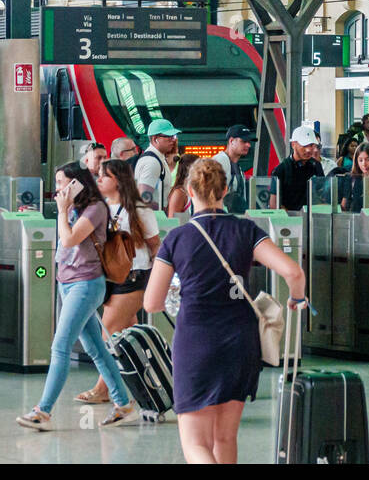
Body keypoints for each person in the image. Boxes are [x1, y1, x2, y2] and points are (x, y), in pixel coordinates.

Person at [143, 158, 305, 463]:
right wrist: (297, 299)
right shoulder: (246, 230)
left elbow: (151, 303)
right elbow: (294, 273)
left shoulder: (177, 238)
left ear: (189, 191)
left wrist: (180, 291)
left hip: (196, 342)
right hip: (241, 343)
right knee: (225, 438)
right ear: (225, 190)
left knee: (195, 443)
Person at [17, 163, 136, 430]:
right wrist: (65, 209)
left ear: (76, 184)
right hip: (68, 284)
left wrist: (62, 210)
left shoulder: (95, 209)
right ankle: (123, 405)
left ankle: (42, 411)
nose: (58, 188)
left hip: (86, 285)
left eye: (61, 182)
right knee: (96, 348)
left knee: (60, 346)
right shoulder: (74, 208)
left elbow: (70, 239)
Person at [77, 159, 161, 405]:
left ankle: (103, 388)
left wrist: (157, 280)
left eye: (105, 176)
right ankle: (146, 384)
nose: (99, 179)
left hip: (134, 276)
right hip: (110, 278)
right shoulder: (100, 207)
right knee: (127, 335)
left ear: (119, 181)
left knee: (109, 334)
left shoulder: (138, 208)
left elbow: (155, 245)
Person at [269, 126, 327, 211]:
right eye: (304, 145)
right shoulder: (281, 170)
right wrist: (292, 219)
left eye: (311, 145)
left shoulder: (316, 165)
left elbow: (322, 194)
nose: (308, 150)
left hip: (312, 217)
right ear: (293, 145)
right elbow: (274, 204)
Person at [134, 118, 181, 210]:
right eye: (168, 136)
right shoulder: (152, 162)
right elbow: (144, 198)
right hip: (154, 221)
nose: (173, 140)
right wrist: (165, 211)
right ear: (155, 139)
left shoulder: (156, 159)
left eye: (174, 136)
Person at [211, 125, 253, 214]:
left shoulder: (237, 166)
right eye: (243, 141)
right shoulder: (220, 161)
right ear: (231, 141)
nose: (248, 145)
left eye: (249, 142)